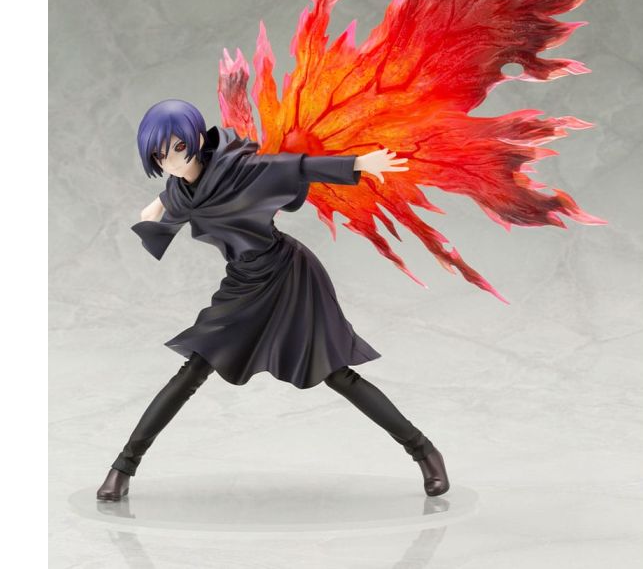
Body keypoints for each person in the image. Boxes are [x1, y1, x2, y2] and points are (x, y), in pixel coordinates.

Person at [96, 99, 449, 501]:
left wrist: (358, 164)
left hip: (290, 275)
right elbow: (173, 199)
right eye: (161, 156)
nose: (172, 161)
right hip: (244, 281)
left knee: (336, 373)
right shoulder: (180, 191)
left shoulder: (241, 169)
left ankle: (425, 452)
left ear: (198, 138)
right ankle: (122, 468)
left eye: (178, 148)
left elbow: (295, 166)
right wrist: (158, 204)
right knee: (193, 368)